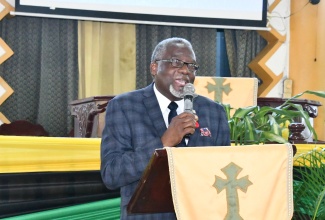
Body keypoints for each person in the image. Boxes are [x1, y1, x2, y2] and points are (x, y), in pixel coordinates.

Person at [100, 37, 230, 219]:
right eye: (176, 62)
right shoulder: (124, 106)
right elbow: (112, 174)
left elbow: (223, 171)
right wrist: (163, 143)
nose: (185, 70)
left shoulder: (213, 112)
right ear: (154, 67)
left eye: (191, 66)